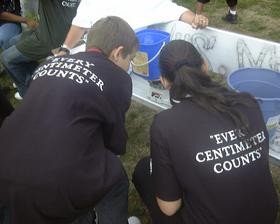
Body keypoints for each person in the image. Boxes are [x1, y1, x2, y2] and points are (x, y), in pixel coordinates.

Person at [0, 16, 139, 224]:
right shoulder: (118, 77)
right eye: (130, 58)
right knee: (115, 174)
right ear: (118, 53)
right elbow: (115, 142)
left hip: (6, 164)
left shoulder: (51, 62)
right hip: (56, 183)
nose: (128, 65)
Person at [132, 39, 278, 224]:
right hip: (265, 215)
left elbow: (169, 208)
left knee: (144, 171)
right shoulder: (247, 101)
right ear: (205, 66)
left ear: (163, 81)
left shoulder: (165, 125)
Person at [56, 0, 208, 56]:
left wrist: (194, 18)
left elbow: (175, 10)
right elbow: (80, 22)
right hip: (94, 53)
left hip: (125, 57)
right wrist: (65, 49)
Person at [0, 0, 80, 100]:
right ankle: (34, 77)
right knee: (12, 42)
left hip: (52, 37)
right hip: (66, 29)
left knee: (6, 58)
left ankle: (29, 94)